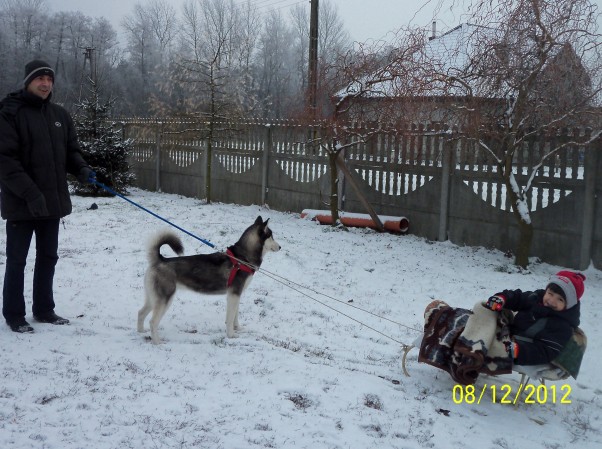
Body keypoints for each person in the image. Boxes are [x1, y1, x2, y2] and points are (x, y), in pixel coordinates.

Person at [0, 59, 95, 333]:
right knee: (17, 260)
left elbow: (70, 151)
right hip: (21, 203)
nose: (45, 84)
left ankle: (44, 309)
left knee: (48, 257)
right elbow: (5, 162)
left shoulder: (59, 115)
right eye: (39, 79)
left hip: (51, 203)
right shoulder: (10, 113)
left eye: (49, 79)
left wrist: (82, 169)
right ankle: (14, 315)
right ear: (28, 81)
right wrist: (31, 194)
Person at [483, 270, 585, 366]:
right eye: (550, 293)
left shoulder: (563, 326)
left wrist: (518, 350)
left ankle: (472, 354)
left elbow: (545, 352)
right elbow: (517, 298)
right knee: (482, 306)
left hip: (515, 347)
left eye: (560, 299)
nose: (551, 301)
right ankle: (470, 338)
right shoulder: (536, 298)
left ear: (568, 305)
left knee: (483, 339)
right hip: (507, 332)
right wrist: (502, 298)